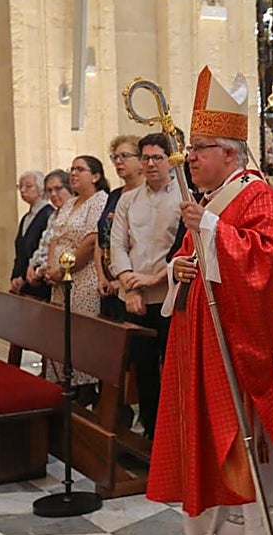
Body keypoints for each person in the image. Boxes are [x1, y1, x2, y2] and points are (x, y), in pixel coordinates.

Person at [148, 67, 273, 535]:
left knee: (247, 441)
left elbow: (267, 263)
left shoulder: (256, 196)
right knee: (217, 438)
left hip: (249, 346)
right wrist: (178, 269)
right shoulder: (212, 200)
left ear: (230, 152)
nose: (191, 157)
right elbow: (194, 258)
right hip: (208, 341)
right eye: (193, 146)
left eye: (200, 146)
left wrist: (210, 229)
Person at [109, 133, 181, 439]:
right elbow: (117, 246)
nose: (151, 164)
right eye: (146, 158)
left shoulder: (184, 197)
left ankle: (176, 435)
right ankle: (152, 434)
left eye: (157, 158)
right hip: (136, 299)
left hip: (172, 295)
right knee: (145, 370)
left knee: (175, 371)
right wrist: (132, 286)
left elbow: (184, 248)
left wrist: (155, 278)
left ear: (170, 159)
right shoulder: (128, 199)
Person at [43, 156, 110, 389]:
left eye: (80, 169)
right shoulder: (70, 203)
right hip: (59, 282)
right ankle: (63, 387)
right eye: (72, 169)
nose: (73, 173)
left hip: (83, 279)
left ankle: (84, 391)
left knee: (80, 339)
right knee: (61, 337)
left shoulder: (100, 201)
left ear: (96, 176)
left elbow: (91, 242)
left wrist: (63, 271)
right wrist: (52, 270)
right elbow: (55, 239)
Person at [96, 136, 144, 320]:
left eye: (124, 156)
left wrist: (122, 280)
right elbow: (100, 239)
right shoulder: (115, 195)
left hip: (131, 282)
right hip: (108, 279)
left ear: (141, 161)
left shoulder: (144, 195)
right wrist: (102, 277)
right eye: (115, 157)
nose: (118, 162)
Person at [10, 170, 54, 299]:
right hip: (22, 284)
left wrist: (24, 277)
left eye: (28, 186)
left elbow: (42, 249)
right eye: (20, 186)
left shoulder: (48, 214)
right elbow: (20, 252)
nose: (22, 190)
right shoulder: (26, 218)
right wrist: (15, 277)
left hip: (37, 282)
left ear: (41, 189)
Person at [26, 170, 71, 291]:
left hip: (64, 275)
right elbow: (44, 244)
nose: (53, 194)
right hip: (45, 276)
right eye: (49, 190)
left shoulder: (73, 214)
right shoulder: (53, 215)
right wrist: (32, 265)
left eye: (58, 189)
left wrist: (41, 271)